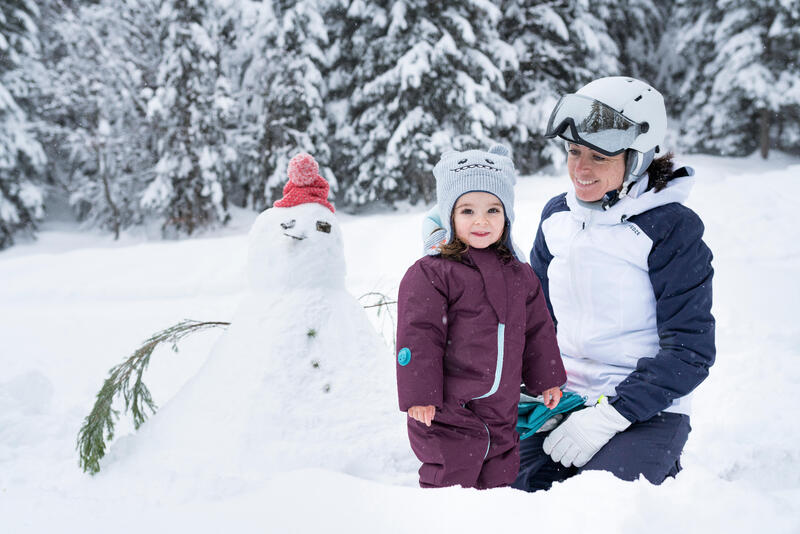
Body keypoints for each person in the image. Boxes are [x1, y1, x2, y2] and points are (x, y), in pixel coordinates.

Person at [512, 76, 715, 491]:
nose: (580, 169)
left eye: (599, 157)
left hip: (644, 409)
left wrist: (610, 415)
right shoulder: (556, 217)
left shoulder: (670, 228)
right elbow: (534, 317)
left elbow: (691, 351)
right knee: (498, 496)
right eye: (574, 152)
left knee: (600, 507)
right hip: (559, 399)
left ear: (636, 159)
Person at [395, 144, 567, 489]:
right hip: (446, 411)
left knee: (500, 481)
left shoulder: (520, 274)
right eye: (467, 210)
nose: (481, 221)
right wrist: (419, 395)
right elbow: (419, 335)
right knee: (451, 479)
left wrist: (547, 377)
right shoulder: (433, 272)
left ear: (507, 217)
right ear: (449, 216)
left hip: (501, 411)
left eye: (493, 209)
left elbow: (538, 330)